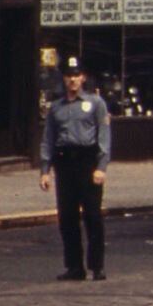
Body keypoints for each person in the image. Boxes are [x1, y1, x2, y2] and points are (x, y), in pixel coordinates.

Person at [39, 56, 112, 281]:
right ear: (64, 78)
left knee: (92, 215)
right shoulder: (57, 108)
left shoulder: (95, 104)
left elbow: (104, 136)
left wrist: (101, 166)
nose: (73, 80)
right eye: (69, 76)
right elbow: (48, 139)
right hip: (65, 163)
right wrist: (45, 169)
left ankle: (96, 266)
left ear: (83, 78)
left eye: (76, 75)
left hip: (87, 161)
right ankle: (74, 267)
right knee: (68, 217)